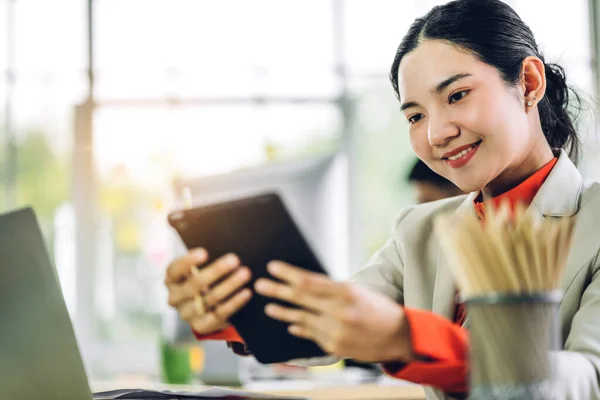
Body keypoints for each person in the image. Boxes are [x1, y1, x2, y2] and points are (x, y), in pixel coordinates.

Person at [164, 1, 600, 398]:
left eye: (457, 95)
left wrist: (409, 339)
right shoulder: (421, 232)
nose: (435, 134)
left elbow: (588, 377)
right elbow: (330, 322)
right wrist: (230, 309)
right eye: (415, 115)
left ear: (528, 82)